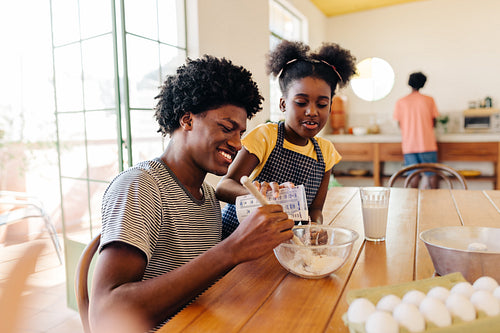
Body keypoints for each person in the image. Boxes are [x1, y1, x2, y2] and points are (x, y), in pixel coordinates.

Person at [88, 55, 295, 333]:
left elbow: (203, 275)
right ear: (187, 120)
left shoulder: (207, 196)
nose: (237, 144)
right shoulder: (141, 186)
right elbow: (106, 315)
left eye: (241, 133)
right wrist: (232, 249)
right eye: (226, 128)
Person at [216, 40, 357, 239]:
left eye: (322, 104)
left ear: (331, 106)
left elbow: (315, 209)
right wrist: (260, 198)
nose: (312, 112)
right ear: (283, 104)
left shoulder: (326, 152)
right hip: (238, 237)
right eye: (301, 102)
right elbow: (224, 186)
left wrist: (314, 228)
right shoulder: (267, 136)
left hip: (285, 242)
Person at [393, 72, 440, 188]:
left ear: (409, 83)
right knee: (431, 173)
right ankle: (436, 200)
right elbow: (434, 122)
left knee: (413, 175)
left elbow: (399, 124)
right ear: (423, 83)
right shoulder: (429, 100)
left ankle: (412, 203)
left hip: (409, 145)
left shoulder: (401, 101)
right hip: (427, 143)